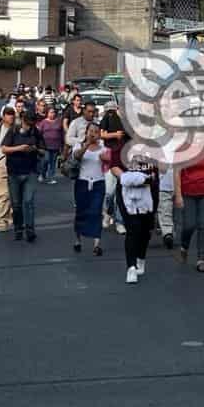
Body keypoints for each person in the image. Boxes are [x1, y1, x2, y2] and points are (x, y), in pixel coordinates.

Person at [174, 141, 204, 273]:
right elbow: (177, 172)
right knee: (189, 225)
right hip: (187, 192)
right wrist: (178, 195)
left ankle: (202, 259)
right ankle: (184, 246)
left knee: (203, 224)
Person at [113, 154, 157, 284]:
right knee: (132, 230)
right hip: (127, 194)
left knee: (145, 231)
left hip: (149, 193)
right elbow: (114, 167)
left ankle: (141, 258)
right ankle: (131, 267)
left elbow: (157, 172)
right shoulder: (122, 144)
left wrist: (147, 179)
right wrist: (131, 179)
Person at [1, 111, 44, 243]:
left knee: (28, 201)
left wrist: (35, 149)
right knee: (16, 204)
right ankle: (18, 228)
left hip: (30, 171)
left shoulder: (35, 132)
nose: (29, 126)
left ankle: (30, 230)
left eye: (32, 123)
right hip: (14, 172)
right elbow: (4, 149)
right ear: (22, 120)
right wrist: (20, 148)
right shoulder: (13, 131)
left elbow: (43, 150)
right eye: (27, 123)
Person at [71, 122, 108, 256]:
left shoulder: (103, 147)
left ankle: (96, 244)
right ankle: (78, 240)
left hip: (98, 182)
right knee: (81, 211)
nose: (93, 133)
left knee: (96, 212)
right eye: (91, 131)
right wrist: (87, 144)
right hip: (82, 182)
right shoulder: (79, 145)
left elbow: (110, 159)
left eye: (96, 131)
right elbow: (76, 156)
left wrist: (107, 158)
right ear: (86, 132)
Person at [100, 102, 128, 234]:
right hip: (110, 158)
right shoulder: (109, 117)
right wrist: (115, 135)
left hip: (124, 159)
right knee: (109, 193)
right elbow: (102, 134)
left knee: (121, 195)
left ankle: (120, 222)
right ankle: (107, 212)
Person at [37, 106, 63, 185]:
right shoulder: (43, 122)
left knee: (53, 162)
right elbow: (39, 133)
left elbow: (61, 133)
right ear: (47, 113)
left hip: (55, 145)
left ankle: (51, 178)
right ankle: (42, 173)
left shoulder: (58, 121)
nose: (52, 114)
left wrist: (62, 144)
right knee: (46, 160)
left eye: (54, 112)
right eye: (51, 112)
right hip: (45, 146)